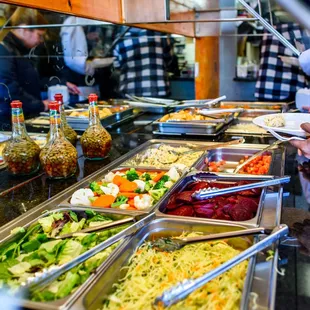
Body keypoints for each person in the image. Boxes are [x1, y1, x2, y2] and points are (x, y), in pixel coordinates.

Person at [0, 7, 49, 124]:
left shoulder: (18, 49)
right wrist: (40, 105)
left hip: (21, 118)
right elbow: (7, 87)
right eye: (39, 35)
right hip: (9, 121)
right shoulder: (4, 49)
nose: (41, 41)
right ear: (24, 29)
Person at [112, 27, 172, 98]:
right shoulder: (159, 33)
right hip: (158, 89)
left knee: (133, 109)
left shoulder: (120, 38)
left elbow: (117, 65)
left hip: (131, 91)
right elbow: (168, 58)